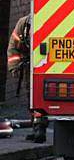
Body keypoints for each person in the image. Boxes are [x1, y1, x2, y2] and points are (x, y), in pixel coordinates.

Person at [6, 15, 48, 143]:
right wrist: (14, 67)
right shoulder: (23, 23)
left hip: (50, 64)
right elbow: (13, 46)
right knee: (32, 97)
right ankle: (37, 128)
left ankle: (39, 127)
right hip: (31, 66)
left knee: (38, 97)